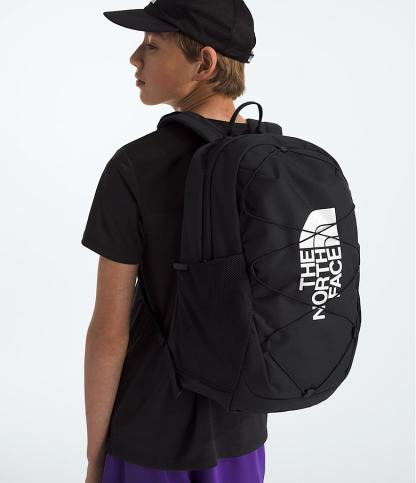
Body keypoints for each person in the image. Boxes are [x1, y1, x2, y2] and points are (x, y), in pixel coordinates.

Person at [81, 1, 267, 482]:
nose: (134, 58)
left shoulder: (136, 166)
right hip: (242, 426)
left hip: (151, 430)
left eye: (152, 45)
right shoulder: (271, 163)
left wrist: (95, 457)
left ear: (204, 62)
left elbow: (109, 332)